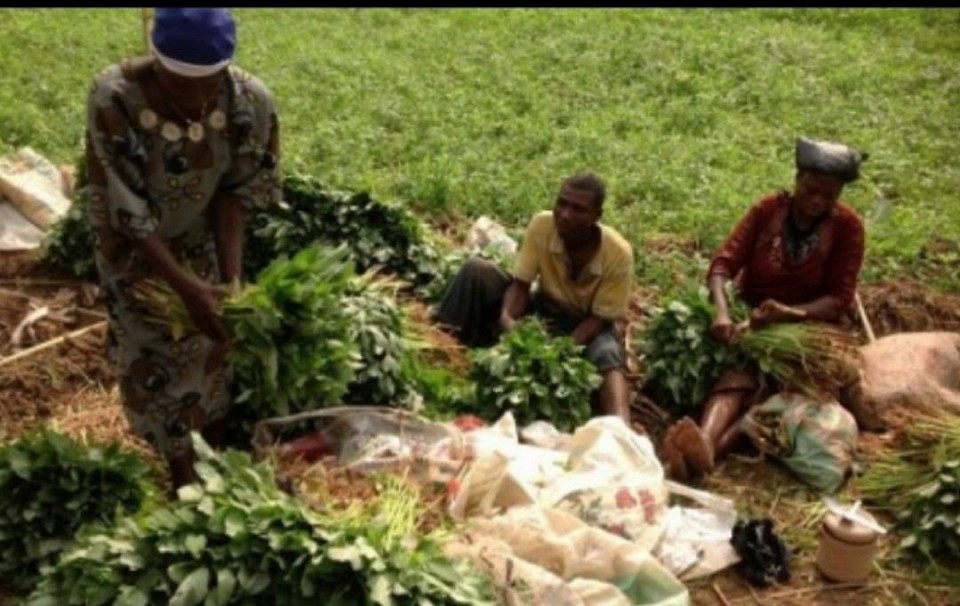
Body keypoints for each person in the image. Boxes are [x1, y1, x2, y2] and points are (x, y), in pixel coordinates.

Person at [85, 8, 281, 489]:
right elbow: (125, 206)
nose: (193, 97)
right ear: (155, 62)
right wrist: (181, 284)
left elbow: (236, 194)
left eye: (206, 83)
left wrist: (227, 280)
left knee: (213, 344)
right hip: (135, 250)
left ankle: (208, 445)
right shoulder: (115, 97)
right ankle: (180, 474)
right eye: (177, 83)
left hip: (201, 237)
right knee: (155, 348)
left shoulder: (248, 102)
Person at [662, 137, 867, 481]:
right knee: (740, 368)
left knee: (767, 386)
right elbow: (722, 267)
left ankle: (707, 449)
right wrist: (723, 313)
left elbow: (839, 298)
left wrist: (790, 313)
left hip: (806, 324)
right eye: (811, 189)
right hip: (750, 315)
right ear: (797, 178)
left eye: (829, 196)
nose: (817, 201)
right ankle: (707, 449)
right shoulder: (768, 211)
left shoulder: (847, 228)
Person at [434, 171, 635, 425]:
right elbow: (520, 286)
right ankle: (440, 352)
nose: (565, 214)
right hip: (543, 308)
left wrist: (557, 352)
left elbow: (598, 319)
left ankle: (621, 428)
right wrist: (508, 319)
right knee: (477, 270)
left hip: (585, 325)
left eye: (578, 209)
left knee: (608, 355)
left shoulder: (618, 253)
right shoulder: (542, 225)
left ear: (596, 216)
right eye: (561, 203)